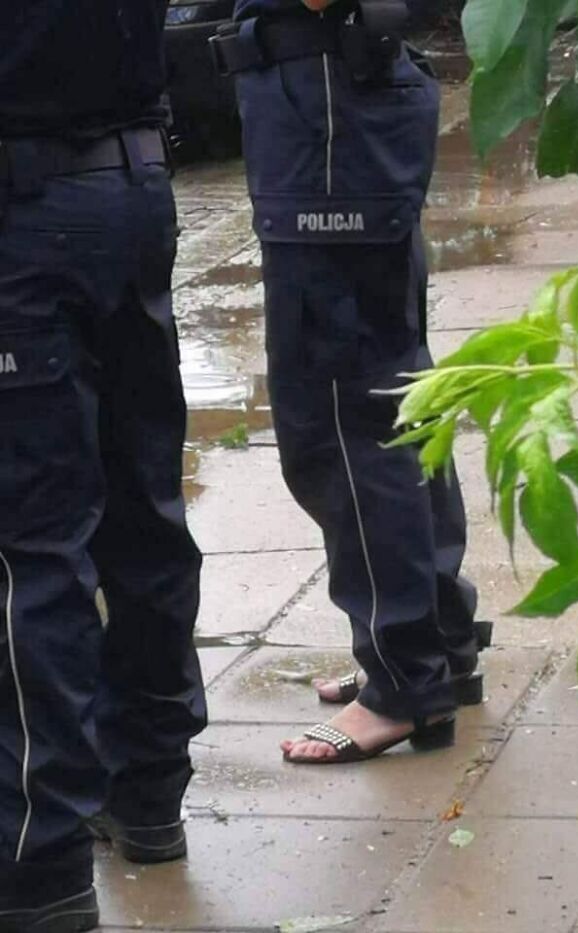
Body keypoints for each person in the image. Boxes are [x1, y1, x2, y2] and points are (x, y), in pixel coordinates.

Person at [212, 0, 489, 765]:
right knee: (391, 396)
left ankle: (403, 681)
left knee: (343, 422)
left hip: (331, 117)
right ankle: (436, 642)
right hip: (336, 115)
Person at [0, 3, 207, 930]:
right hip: (131, 186)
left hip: (28, 202)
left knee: (30, 546)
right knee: (140, 501)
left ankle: (35, 863)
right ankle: (149, 787)